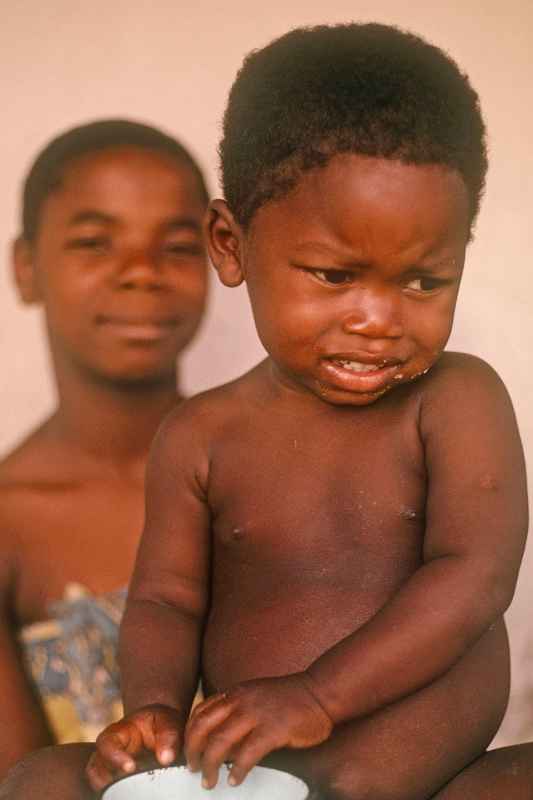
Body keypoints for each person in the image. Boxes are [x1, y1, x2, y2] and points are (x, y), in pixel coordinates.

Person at [3, 23, 532, 800]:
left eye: (423, 281)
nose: (378, 317)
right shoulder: (200, 435)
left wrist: (318, 697)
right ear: (230, 243)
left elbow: (475, 578)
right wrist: (150, 711)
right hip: (254, 772)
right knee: (41, 780)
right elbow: (164, 599)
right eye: (334, 274)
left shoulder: (456, 400)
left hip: (425, 780)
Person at [0, 119, 209, 778]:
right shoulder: (11, 516)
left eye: (177, 246)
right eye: (94, 241)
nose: (141, 273)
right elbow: (24, 779)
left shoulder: (279, 471)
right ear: (26, 268)